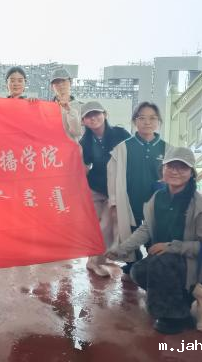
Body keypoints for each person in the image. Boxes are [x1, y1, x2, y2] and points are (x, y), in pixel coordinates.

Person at [106, 147, 202, 334]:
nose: (175, 171)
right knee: (138, 271)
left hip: (193, 265)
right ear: (162, 170)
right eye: (170, 166)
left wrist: (172, 247)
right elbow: (146, 229)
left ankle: (173, 317)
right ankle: (179, 305)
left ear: (191, 173)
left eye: (182, 167)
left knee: (161, 264)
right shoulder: (158, 197)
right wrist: (121, 249)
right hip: (164, 260)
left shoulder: (200, 206)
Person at [107, 101, 168, 281]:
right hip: (130, 202)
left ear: (158, 121)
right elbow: (112, 176)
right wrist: (114, 201)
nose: (147, 122)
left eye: (152, 118)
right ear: (135, 121)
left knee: (154, 236)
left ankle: (154, 267)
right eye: (142, 118)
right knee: (130, 234)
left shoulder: (167, 149)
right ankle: (133, 265)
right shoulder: (123, 148)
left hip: (156, 205)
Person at [79, 101, 131, 277]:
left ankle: (100, 261)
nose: (93, 118)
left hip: (115, 188)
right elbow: (84, 167)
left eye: (96, 113)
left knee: (106, 226)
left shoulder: (120, 133)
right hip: (94, 188)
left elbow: (131, 155)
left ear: (105, 114)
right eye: (88, 116)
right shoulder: (85, 141)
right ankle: (93, 261)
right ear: (83, 121)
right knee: (95, 227)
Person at [49, 67, 83, 142]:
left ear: (70, 82)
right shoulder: (47, 107)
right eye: (57, 82)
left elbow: (77, 132)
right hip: (51, 148)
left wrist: (69, 110)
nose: (61, 85)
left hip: (71, 147)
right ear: (52, 86)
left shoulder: (81, 107)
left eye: (63, 81)